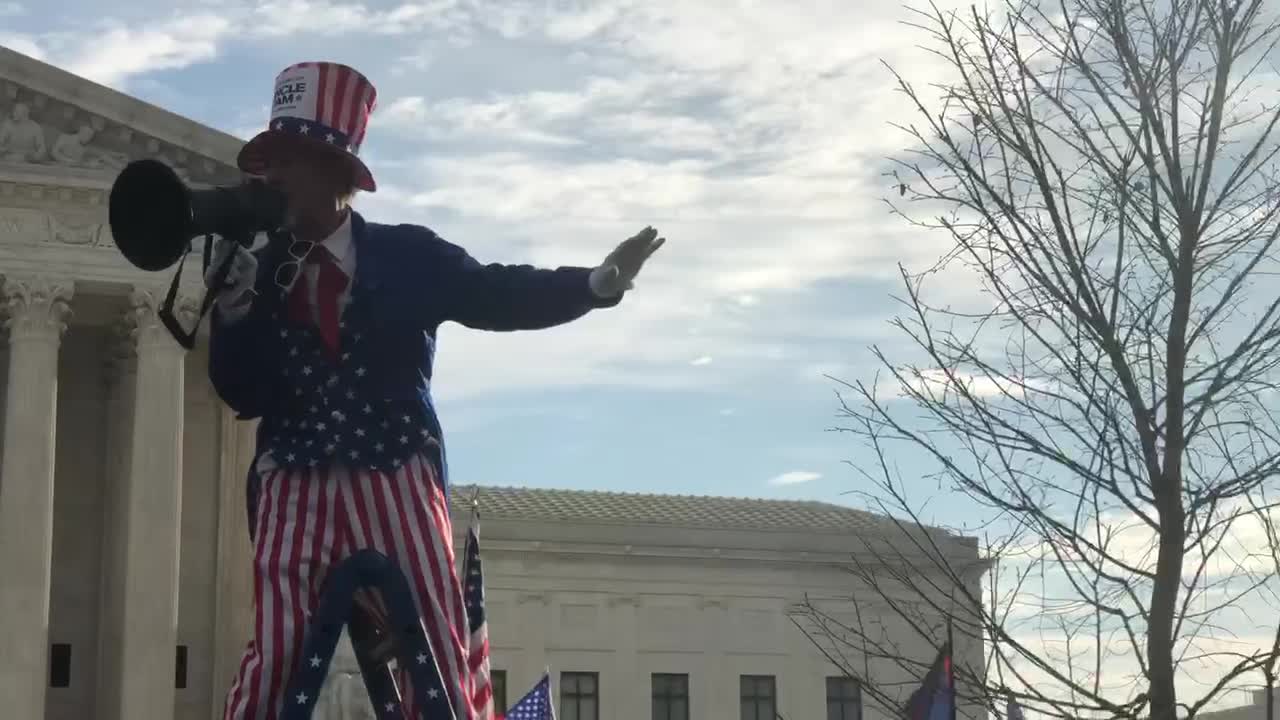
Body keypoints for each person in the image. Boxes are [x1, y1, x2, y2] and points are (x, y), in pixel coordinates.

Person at [206, 61, 664, 720]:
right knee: (275, 653)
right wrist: (234, 311)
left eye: (289, 161)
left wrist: (591, 285)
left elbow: (495, 292)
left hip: (394, 471)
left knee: (436, 644)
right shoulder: (261, 267)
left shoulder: (407, 255)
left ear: (335, 173)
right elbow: (242, 392)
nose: (271, 178)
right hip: (294, 479)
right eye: (267, 162)